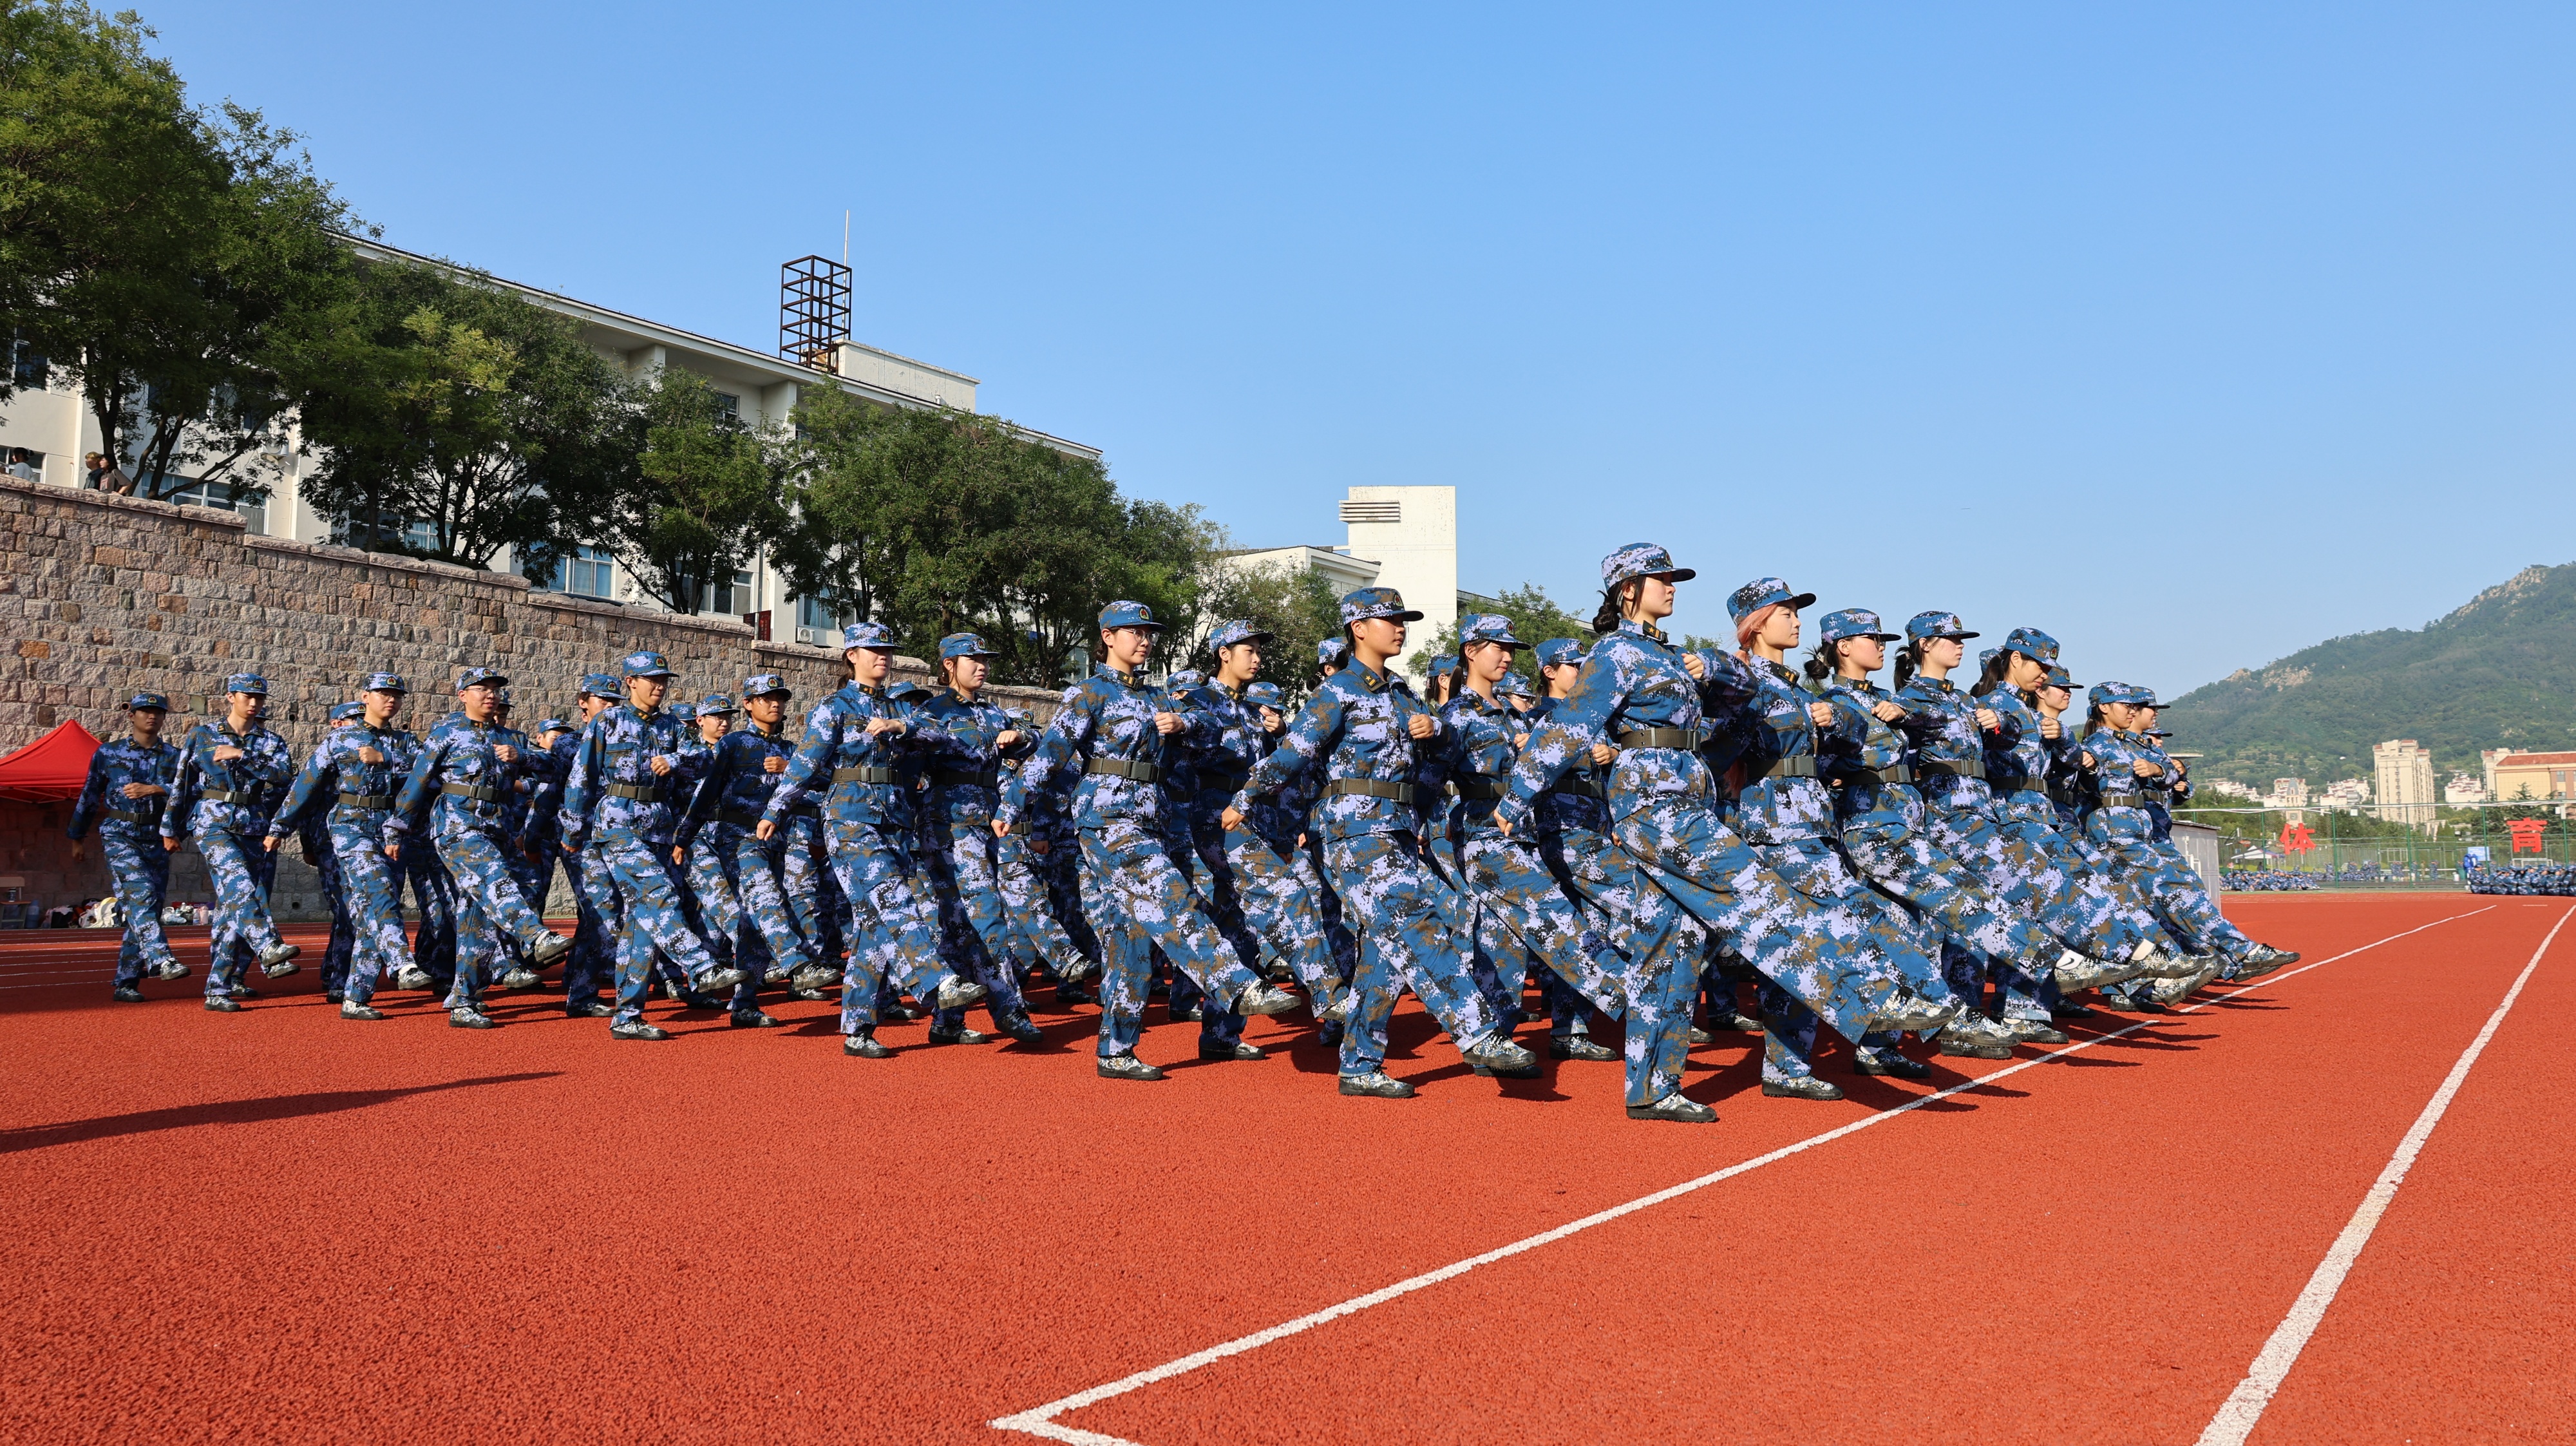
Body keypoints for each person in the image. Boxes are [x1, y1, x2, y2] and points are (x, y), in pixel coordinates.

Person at [1496, 547, 1958, 1123]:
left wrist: (1713, 669)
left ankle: (1652, 1088)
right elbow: (1571, 725)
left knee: (1673, 945)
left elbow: (1744, 695)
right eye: (1660, 578)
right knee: (1762, 893)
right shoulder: (1614, 652)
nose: (1672, 586)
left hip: (1686, 798)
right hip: (1654, 802)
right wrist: (1518, 795)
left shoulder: (1670, 654)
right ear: (1627, 589)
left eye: (1673, 578)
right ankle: (1866, 998)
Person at [1225, 589, 1539, 1098]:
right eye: (1389, 619)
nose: (1399, 627)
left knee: (1384, 952)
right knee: (1419, 923)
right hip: (1353, 832)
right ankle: (1480, 1033)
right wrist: (1246, 797)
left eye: (1402, 619)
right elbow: (1292, 753)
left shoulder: (1400, 692)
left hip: (1395, 830)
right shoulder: (1338, 691)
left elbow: (1437, 753)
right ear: (1358, 628)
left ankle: (1359, 1063)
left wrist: (1436, 730)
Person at [1004, 602, 1302, 1081]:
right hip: (1107, 819)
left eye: (1148, 633)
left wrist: (1185, 724)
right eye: (1133, 632)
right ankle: (1235, 983)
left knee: (1133, 940)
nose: (1143, 640)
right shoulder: (1089, 692)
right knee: (1174, 895)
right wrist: (1012, 805)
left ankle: (1116, 1050)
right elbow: (1051, 754)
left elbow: (1209, 729)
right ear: (1107, 637)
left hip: (1151, 821)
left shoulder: (1157, 696)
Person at [1719, 578, 1960, 1097]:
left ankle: (1787, 1067)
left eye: (1797, 613)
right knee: (1857, 913)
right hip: (1775, 829)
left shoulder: (1796, 687)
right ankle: (1912, 999)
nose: (1797, 622)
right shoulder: (1744, 681)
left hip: (1812, 826)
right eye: (1786, 613)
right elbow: (1723, 744)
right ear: (1756, 624)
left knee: (1800, 945)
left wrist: (1835, 721)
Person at [759, 624, 990, 1058]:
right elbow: (806, 762)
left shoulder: (900, 707)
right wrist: (776, 810)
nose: (883, 656)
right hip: (850, 818)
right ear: (852, 655)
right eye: (874, 649)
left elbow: (941, 738)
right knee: (892, 895)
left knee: (874, 923)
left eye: (888, 649)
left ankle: (858, 1028)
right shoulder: (835, 706)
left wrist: (902, 726)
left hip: (894, 821)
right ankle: (937, 980)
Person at [1428, 614, 1631, 1087]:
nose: (1507, 657)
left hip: (1523, 836)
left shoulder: (1514, 713)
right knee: (1556, 917)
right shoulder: (1455, 716)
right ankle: (1635, 998)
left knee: (1503, 947)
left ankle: (1494, 1039)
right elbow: (1431, 783)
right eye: (1498, 647)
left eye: (1511, 649)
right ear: (1470, 651)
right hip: (1483, 836)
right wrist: (1431, 837)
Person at [392, 668, 576, 1028]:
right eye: (481, 689)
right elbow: (417, 783)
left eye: (495, 689)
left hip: (498, 829)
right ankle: (535, 936)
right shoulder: (446, 734)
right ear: (463, 695)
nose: (490, 695)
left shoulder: (510, 737)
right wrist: (395, 830)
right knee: (495, 878)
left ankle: (464, 1001)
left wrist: (522, 758)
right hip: (457, 826)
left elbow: (555, 769)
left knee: (478, 920)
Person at [902, 636, 1048, 1046]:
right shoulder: (933, 712)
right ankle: (1009, 1009)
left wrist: (1019, 737)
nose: (982, 665)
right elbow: (909, 770)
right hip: (947, 826)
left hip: (985, 823)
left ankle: (947, 1021)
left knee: (956, 924)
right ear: (949, 664)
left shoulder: (992, 711)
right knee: (987, 914)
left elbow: (1035, 742)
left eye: (985, 659)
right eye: (973, 658)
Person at [674, 676, 825, 1030]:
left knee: (751, 924)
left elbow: (827, 780)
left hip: (777, 840)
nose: (775, 704)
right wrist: (685, 836)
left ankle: (744, 1004)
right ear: (748, 704)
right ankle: (798, 965)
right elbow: (708, 792)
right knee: (765, 897)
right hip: (738, 837)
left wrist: (791, 769)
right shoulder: (734, 743)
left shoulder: (791, 750)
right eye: (766, 698)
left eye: (780, 698)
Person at [268, 678, 419, 1019]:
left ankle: (355, 997)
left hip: (391, 830)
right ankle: (401, 962)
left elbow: (426, 775)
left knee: (371, 914)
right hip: (351, 825)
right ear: (366, 697)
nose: (391, 700)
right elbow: (306, 783)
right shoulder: (341, 739)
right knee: (380, 891)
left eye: (397, 696)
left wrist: (386, 759)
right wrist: (280, 827)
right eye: (384, 694)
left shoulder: (406, 742)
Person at [162, 674, 301, 1010]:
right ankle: (268, 946)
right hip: (212, 822)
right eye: (247, 696)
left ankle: (219, 987)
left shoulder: (271, 741)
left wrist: (243, 756)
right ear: (230, 697)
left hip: (253, 824)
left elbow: (285, 777)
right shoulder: (203, 734)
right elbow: (183, 782)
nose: (253, 703)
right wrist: (170, 828)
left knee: (230, 908)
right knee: (240, 885)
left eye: (259, 698)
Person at [67, 691, 185, 1000]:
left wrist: (157, 789)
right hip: (120, 834)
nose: (152, 716)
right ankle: (162, 959)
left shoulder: (174, 757)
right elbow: (90, 795)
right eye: (145, 711)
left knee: (147, 907)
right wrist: (77, 837)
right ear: (131, 716)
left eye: (158, 712)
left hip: (156, 837)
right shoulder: (109, 753)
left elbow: (189, 794)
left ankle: (126, 982)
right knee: (141, 895)